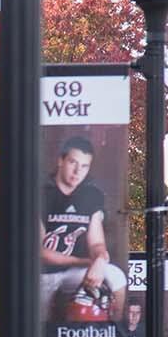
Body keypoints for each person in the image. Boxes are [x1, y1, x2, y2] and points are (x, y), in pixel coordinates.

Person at [41, 135, 127, 326]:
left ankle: (117, 335)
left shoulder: (91, 195)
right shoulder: (42, 193)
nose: (77, 171)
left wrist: (99, 259)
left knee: (116, 276)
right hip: (41, 274)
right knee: (38, 332)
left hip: (73, 272)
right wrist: (87, 261)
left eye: (84, 166)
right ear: (61, 160)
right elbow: (40, 252)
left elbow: (97, 243)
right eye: (73, 162)